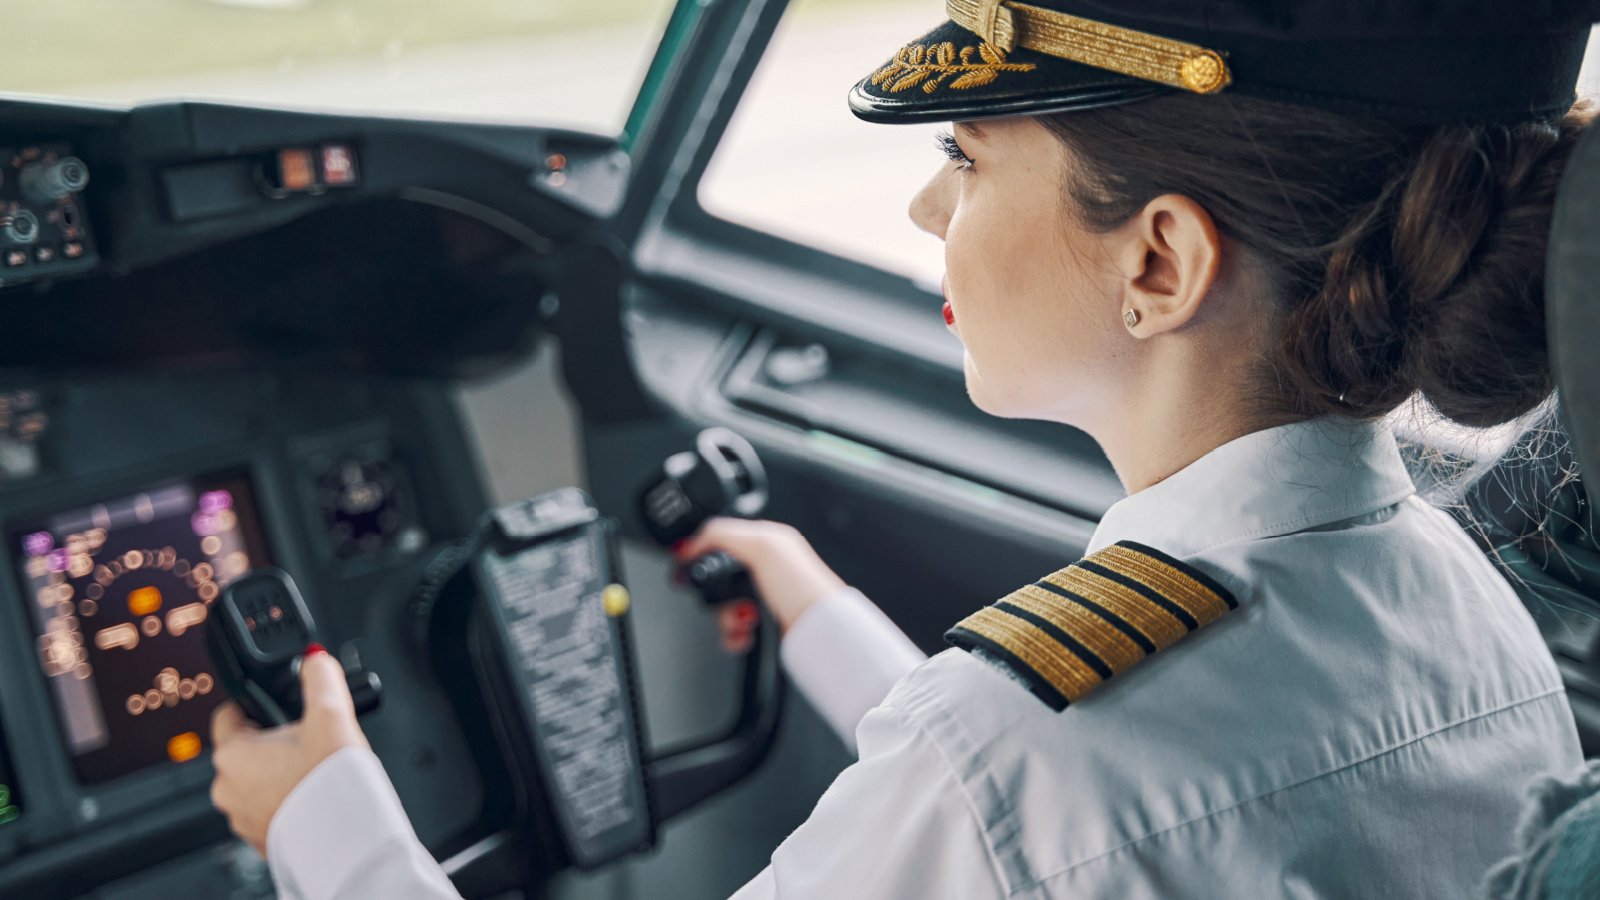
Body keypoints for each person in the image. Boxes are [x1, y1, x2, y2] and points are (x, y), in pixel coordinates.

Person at [209, 1, 1600, 896]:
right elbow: (1077, 804)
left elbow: (1021, 802)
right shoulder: (1469, 609)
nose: (933, 210)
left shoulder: (1008, 757)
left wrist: (319, 813)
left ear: (1161, 262)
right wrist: (818, 613)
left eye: (973, 158)